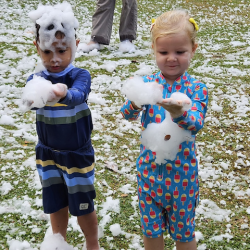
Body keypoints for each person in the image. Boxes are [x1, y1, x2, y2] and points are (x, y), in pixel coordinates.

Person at [120, 10, 208, 250]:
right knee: (151, 230)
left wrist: (179, 113)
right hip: (148, 176)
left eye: (180, 52)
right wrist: (136, 100)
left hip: (183, 179)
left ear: (193, 49)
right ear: (154, 51)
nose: (171, 58)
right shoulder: (149, 86)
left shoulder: (197, 89)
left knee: (184, 234)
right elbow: (126, 113)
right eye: (163, 52)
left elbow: (196, 123)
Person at [26, 3, 100, 250]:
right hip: (47, 155)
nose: (55, 59)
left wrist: (61, 92)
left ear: (75, 45)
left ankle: (92, 243)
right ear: (38, 48)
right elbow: (31, 103)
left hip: (77, 155)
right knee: (55, 204)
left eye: (62, 50)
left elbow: (78, 95)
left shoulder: (80, 75)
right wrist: (35, 97)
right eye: (47, 52)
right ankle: (59, 243)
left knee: (83, 206)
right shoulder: (36, 79)